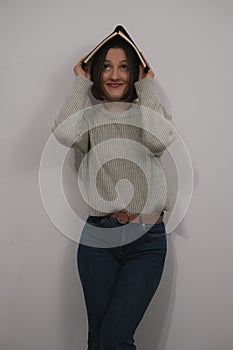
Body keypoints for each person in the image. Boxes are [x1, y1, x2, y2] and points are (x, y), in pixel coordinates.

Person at [52, 29, 174, 350]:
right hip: (98, 239)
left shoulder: (149, 114)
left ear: (135, 72)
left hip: (146, 239)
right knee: (97, 341)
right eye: (105, 66)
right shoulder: (88, 118)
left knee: (116, 338)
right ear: (96, 73)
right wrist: (80, 81)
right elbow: (64, 134)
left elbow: (158, 140)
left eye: (124, 67)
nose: (115, 75)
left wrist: (147, 86)